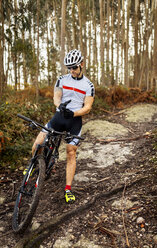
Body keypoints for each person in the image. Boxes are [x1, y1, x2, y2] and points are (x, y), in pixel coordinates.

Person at [32, 49, 95, 203]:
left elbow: (87, 107)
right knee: (37, 145)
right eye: (69, 68)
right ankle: (34, 166)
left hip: (74, 120)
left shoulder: (89, 85)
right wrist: (60, 106)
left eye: (74, 67)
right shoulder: (62, 79)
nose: (71, 71)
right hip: (59, 117)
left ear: (81, 64)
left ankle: (68, 189)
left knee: (70, 152)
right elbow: (56, 97)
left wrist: (73, 114)